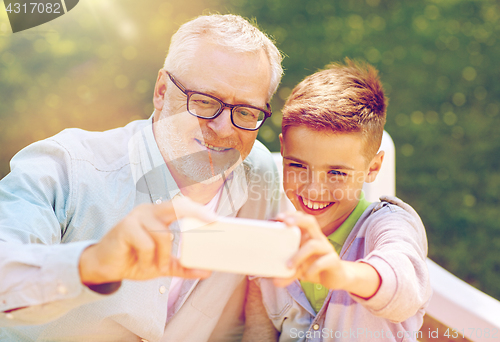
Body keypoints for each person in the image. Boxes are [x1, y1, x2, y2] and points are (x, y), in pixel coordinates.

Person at [0, 14, 283, 341]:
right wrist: (92, 263)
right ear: (162, 91)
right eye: (205, 102)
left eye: (246, 112)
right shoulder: (65, 167)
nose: (224, 128)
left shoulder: (258, 173)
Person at [243, 59, 432, 342]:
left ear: (373, 167)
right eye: (297, 166)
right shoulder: (270, 245)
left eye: (336, 173)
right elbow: (257, 334)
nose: (314, 189)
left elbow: (405, 288)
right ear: (283, 149)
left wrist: (342, 274)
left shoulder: (390, 224)